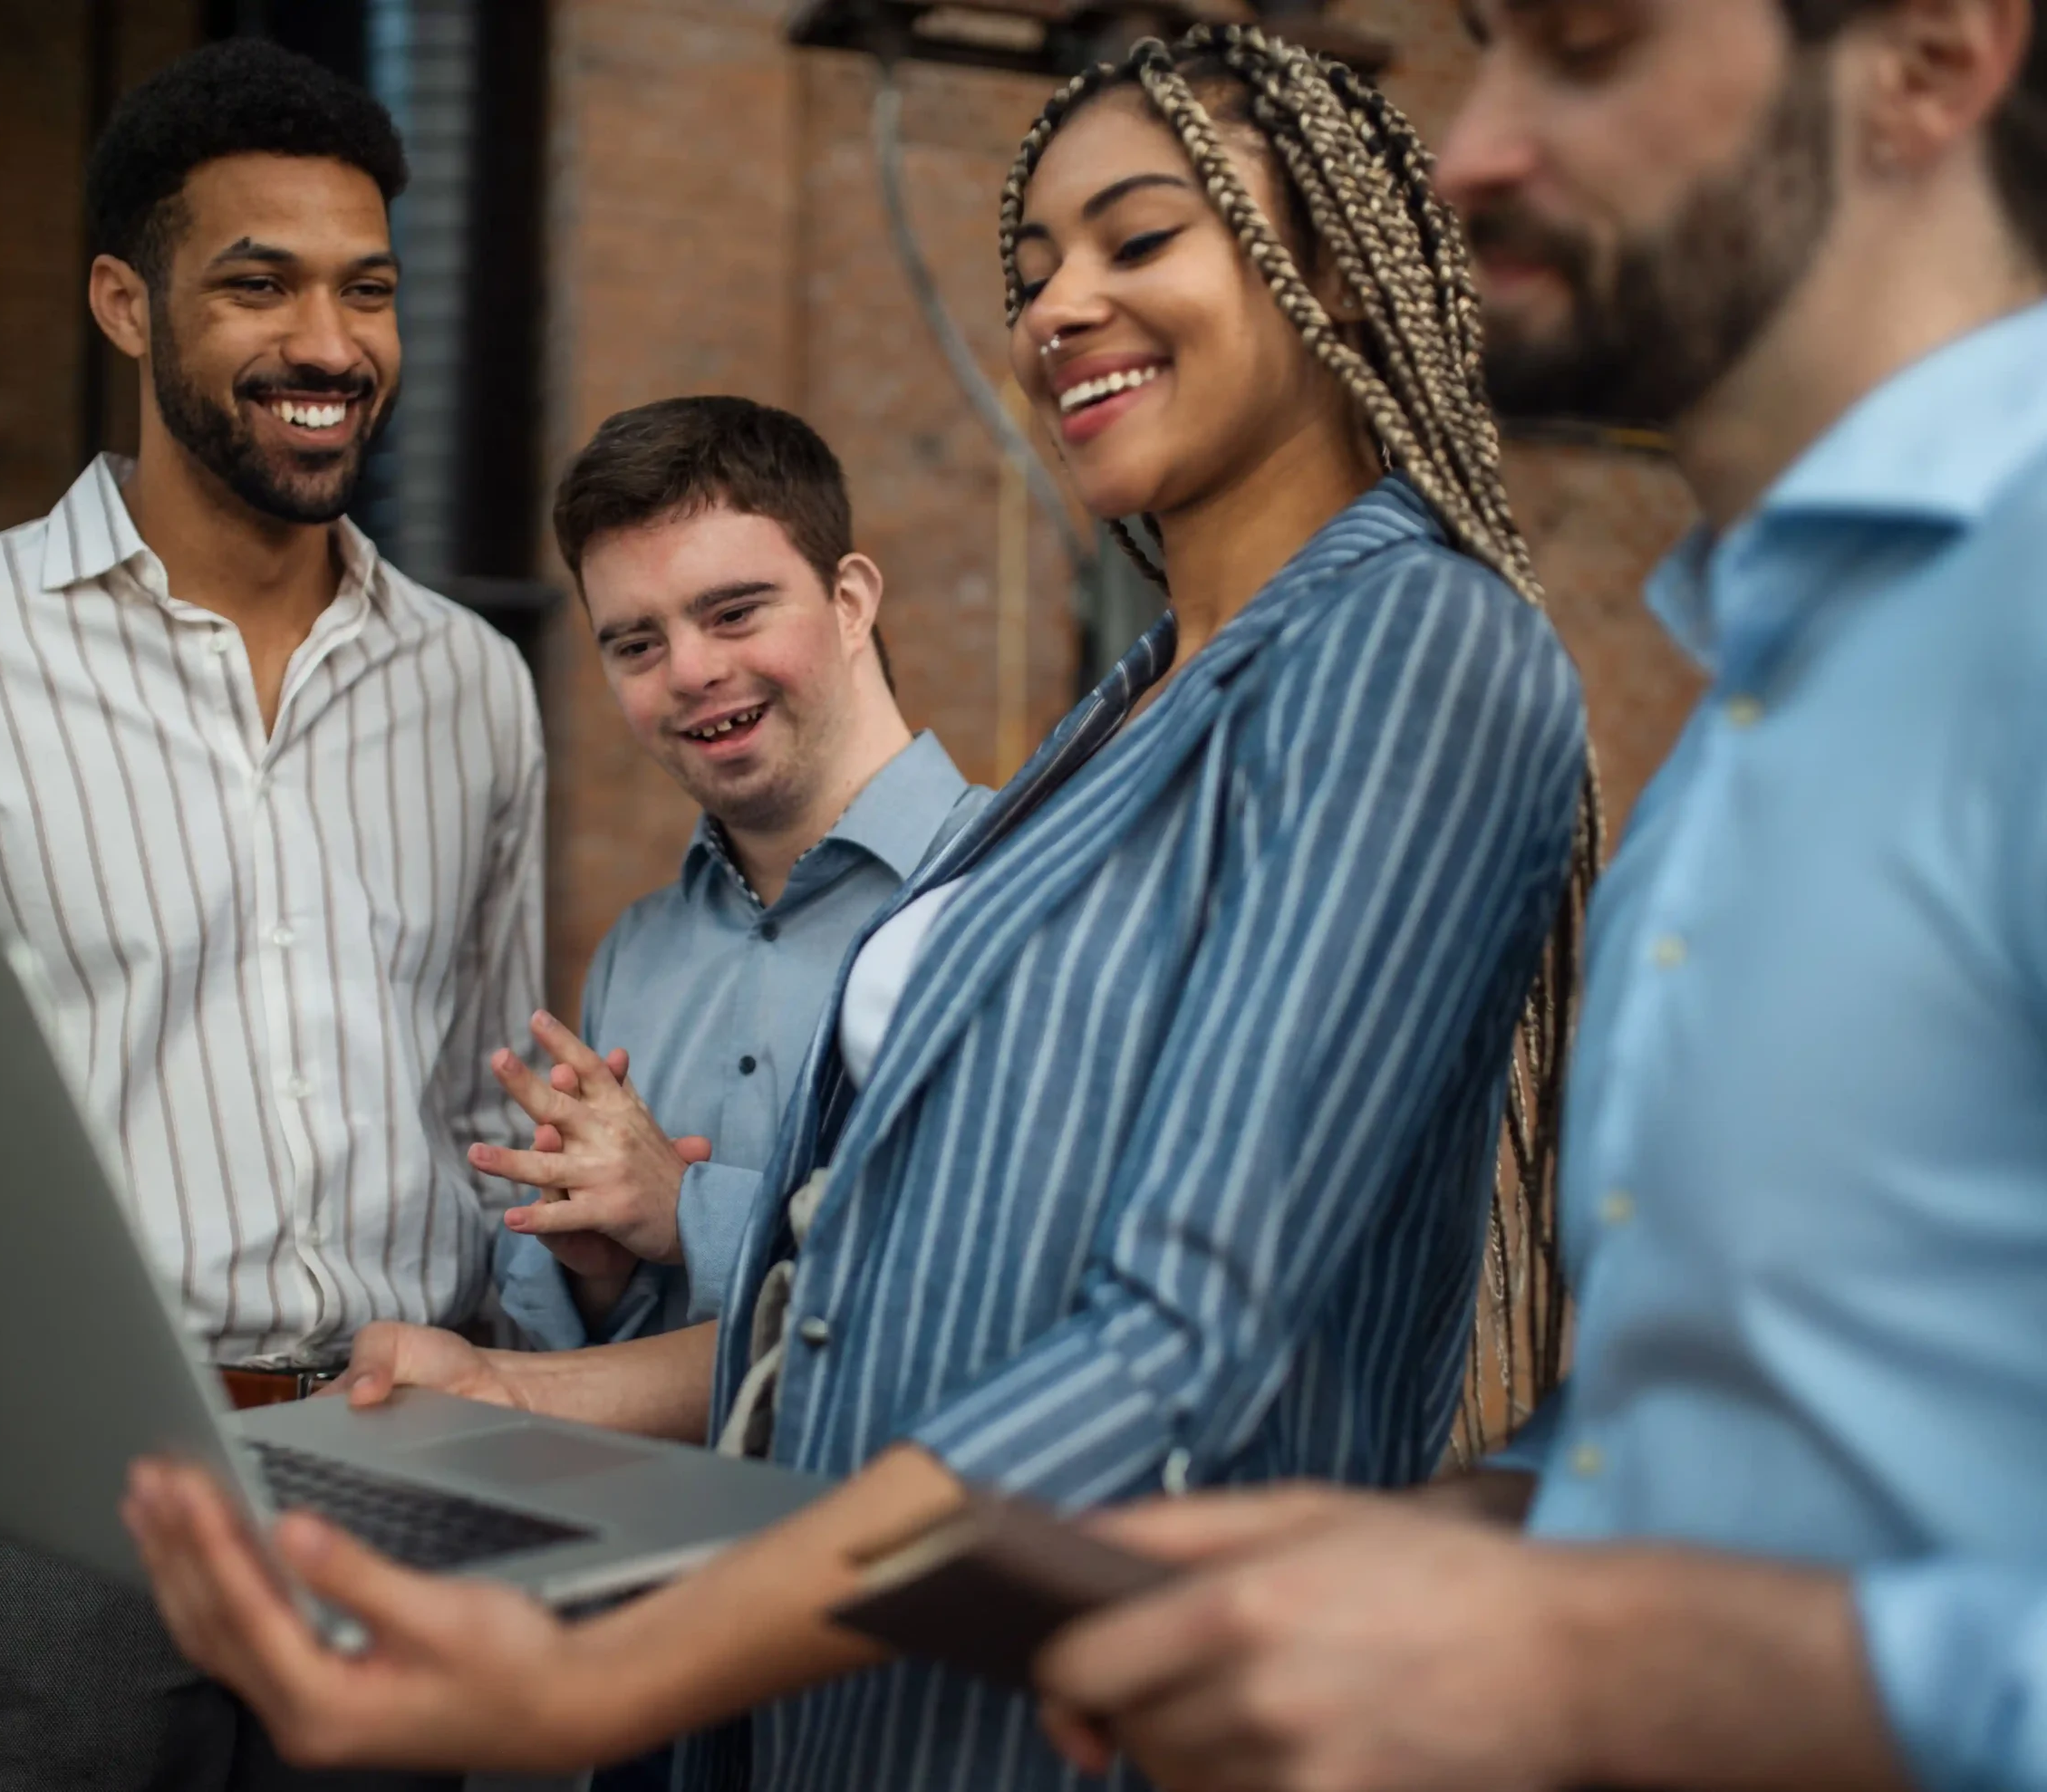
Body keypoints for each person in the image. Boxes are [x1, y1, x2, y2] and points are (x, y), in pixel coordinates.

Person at [121, 24, 1595, 1792]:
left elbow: (1178, 1349)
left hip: (1080, 1716)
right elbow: (882, 1288)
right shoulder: (1128, 708)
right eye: (1033, 264)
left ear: (1336, 273)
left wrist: (602, 1678)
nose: (1055, 306)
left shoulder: (1399, 644)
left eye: (1135, 240)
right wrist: (528, 1409)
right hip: (861, 1694)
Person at [1026, 3, 2047, 1790]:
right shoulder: (1735, 725)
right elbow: (1749, 1443)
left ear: (1929, 57)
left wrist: (1591, 1664)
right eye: (1483, 46)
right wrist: (1457, 1543)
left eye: (1585, 44)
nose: (1475, 144)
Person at [0, 40, 542, 1792]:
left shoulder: (479, 688)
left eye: (367, 290)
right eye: (259, 284)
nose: (330, 343)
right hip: (50, 1524)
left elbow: (480, 1107)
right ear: (124, 300)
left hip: (399, 1494)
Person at [485, 396, 988, 1352]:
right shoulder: (638, 951)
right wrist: (604, 1267)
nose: (688, 670)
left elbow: (993, 1282)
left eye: (733, 612)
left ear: (849, 602)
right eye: (637, 643)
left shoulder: (1023, 886)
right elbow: (546, 1338)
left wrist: (690, 1215)